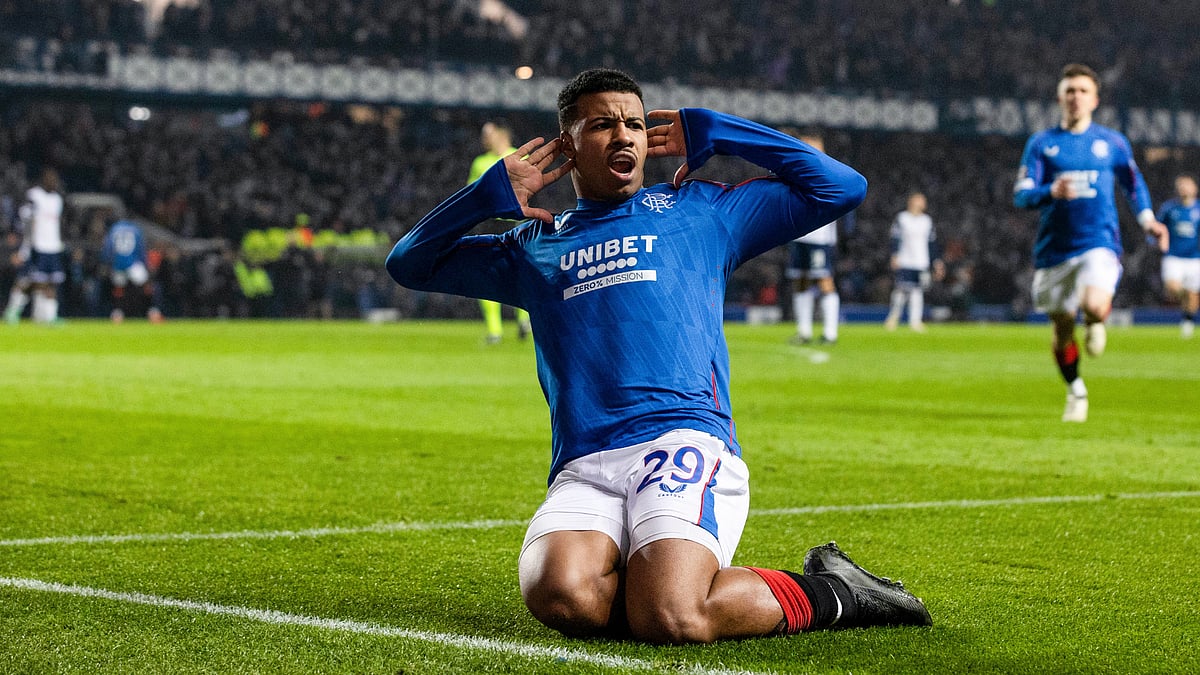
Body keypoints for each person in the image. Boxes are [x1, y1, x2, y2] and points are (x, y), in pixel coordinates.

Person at [386, 68, 931, 644]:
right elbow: (409, 263)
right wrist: (484, 198)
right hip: (585, 461)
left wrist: (723, 132)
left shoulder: (700, 211)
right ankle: (659, 584)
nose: (624, 135)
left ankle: (839, 592)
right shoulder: (532, 247)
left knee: (676, 616)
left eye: (635, 124)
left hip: (682, 440)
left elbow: (840, 187)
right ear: (567, 148)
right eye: (602, 125)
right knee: (561, 597)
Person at [1014, 63, 1169, 423]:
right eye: (1069, 90)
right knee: (1062, 329)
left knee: (1095, 305)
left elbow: (1133, 183)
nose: (1075, 97)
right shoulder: (1041, 144)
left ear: (1095, 99)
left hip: (1099, 241)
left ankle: (1097, 318)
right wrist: (1048, 191)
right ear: (1059, 98)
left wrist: (1147, 220)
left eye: (1083, 91)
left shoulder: (1112, 142)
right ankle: (1076, 390)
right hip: (1053, 250)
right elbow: (1021, 196)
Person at [468, 120, 533, 343]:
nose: (486, 140)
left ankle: (524, 320)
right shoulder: (480, 162)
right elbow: (472, 193)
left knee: (518, 271)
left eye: (491, 135)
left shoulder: (518, 156)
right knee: (486, 274)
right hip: (488, 222)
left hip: (513, 220)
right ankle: (495, 331)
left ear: (503, 136)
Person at [786, 133, 853, 345]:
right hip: (798, 236)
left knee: (824, 280)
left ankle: (830, 333)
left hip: (819, 237)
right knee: (800, 281)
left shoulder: (826, 172)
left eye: (813, 146)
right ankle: (804, 332)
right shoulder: (796, 172)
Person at [4, 168, 66, 325]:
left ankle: (51, 316)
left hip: (52, 247)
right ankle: (12, 311)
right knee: (26, 280)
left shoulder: (57, 199)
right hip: (36, 246)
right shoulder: (34, 196)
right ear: (44, 180)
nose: (53, 182)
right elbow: (25, 220)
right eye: (50, 178)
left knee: (51, 282)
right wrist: (24, 246)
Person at [884, 192, 942, 332]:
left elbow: (931, 242)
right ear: (912, 201)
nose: (923, 203)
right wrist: (895, 255)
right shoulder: (902, 218)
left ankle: (915, 320)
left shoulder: (926, 220)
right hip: (905, 259)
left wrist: (936, 261)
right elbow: (895, 238)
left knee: (917, 291)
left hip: (921, 261)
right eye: (920, 200)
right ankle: (893, 317)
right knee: (901, 290)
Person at [1155, 174, 1200, 339]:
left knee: (1193, 293)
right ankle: (1185, 301)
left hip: (1194, 258)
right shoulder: (1169, 208)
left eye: (1187, 185)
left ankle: (1188, 322)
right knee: (1173, 288)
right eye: (1180, 185)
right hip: (1173, 256)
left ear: (1194, 188)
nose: (1184, 188)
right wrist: (1157, 239)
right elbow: (1158, 227)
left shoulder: (1198, 210)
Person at [100, 216, 164, 323]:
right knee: (146, 285)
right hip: (133, 263)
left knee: (119, 288)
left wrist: (107, 263)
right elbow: (141, 249)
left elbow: (108, 249)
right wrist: (145, 264)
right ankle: (153, 311)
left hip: (118, 265)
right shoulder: (135, 230)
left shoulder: (114, 229)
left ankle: (117, 313)